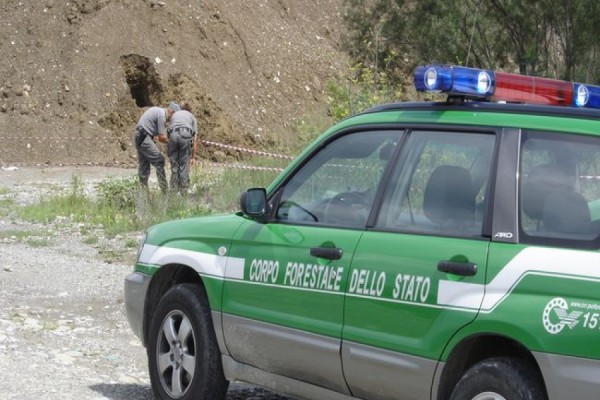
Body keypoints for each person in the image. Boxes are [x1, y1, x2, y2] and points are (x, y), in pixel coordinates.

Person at [134, 102, 180, 193]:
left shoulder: (158, 112)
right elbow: (162, 137)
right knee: (159, 160)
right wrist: (173, 143)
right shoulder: (162, 116)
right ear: (171, 112)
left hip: (140, 137)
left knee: (144, 168)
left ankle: (143, 194)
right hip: (144, 137)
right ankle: (164, 191)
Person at [167, 102, 198, 194]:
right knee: (184, 165)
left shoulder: (175, 114)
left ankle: (173, 191)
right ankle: (183, 191)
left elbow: (168, 132)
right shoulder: (191, 116)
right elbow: (195, 138)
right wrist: (193, 157)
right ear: (189, 110)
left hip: (172, 135)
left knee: (174, 165)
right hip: (185, 135)